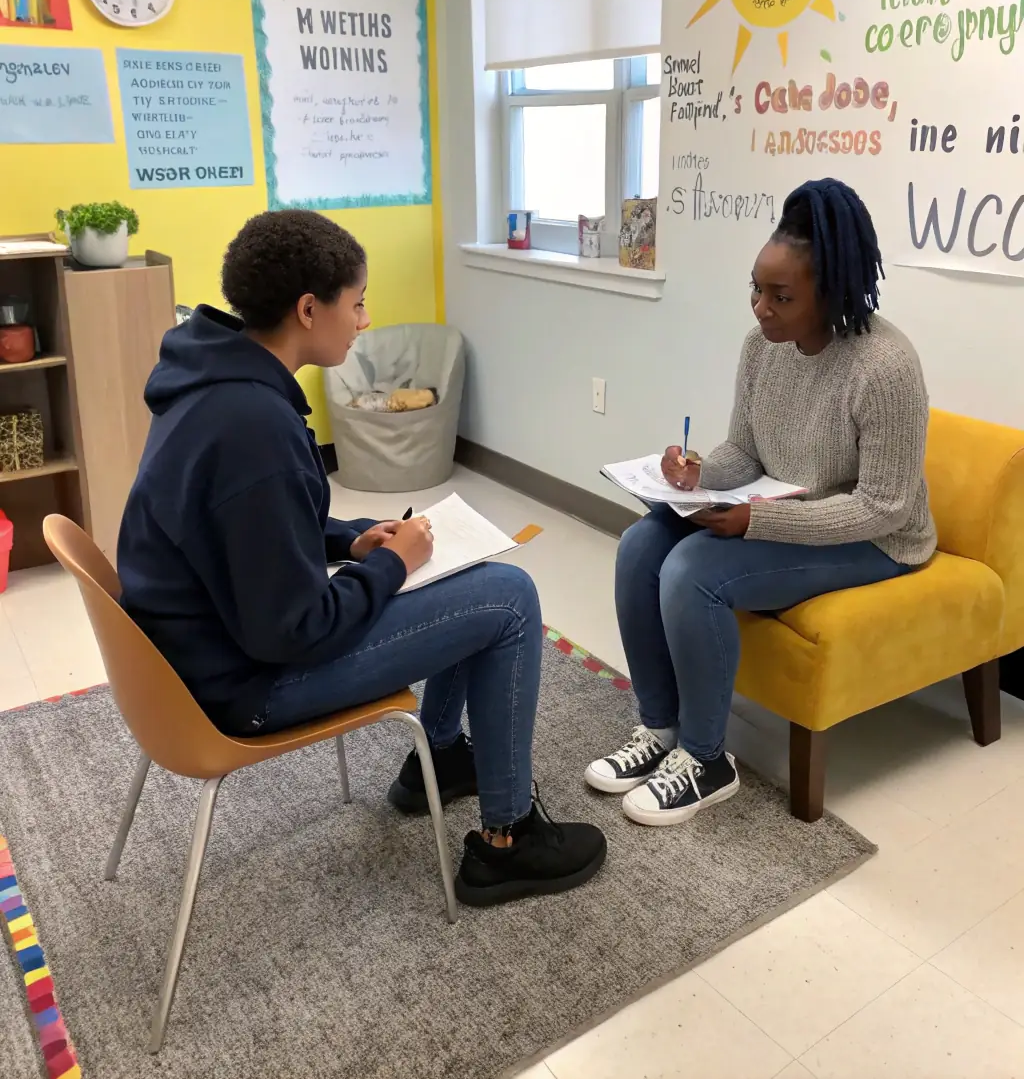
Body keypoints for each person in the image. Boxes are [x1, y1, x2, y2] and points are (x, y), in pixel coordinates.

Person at [118, 209, 606, 906]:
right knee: (509, 598)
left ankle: (440, 756)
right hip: (246, 686)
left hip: (197, 660)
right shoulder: (253, 426)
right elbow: (295, 628)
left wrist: (350, 540)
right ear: (308, 309)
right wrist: (389, 567)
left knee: (465, 576)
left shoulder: (208, 381)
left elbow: (248, 525)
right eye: (357, 303)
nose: (365, 320)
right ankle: (509, 842)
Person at [586, 178, 936, 827]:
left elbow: (885, 506)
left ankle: (706, 759)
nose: (761, 309)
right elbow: (745, 450)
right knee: (641, 546)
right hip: (790, 508)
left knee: (691, 571)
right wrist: (697, 473)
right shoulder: (762, 349)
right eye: (756, 289)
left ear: (832, 291)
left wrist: (758, 520)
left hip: (876, 539)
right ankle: (659, 728)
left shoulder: (884, 366)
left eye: (781, 296)